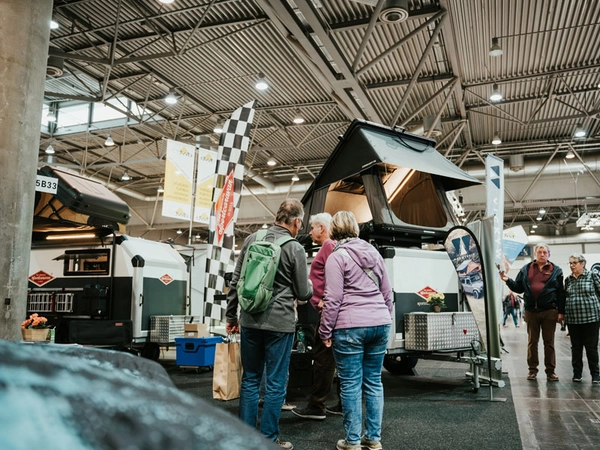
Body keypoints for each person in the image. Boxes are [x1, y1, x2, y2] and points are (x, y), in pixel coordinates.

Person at [225, 198, 313, 450]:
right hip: (280, 323)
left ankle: (244, 439)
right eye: (301, 223)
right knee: (275, 383)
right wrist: (313, 288)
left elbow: (235, 281)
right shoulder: (294, 247)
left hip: (250, 320)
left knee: (250, 379)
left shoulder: (252, 239)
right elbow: (303, 291)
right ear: (296, 221)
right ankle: (268, 441)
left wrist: (231, 317)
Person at [319, 211, 393, 450]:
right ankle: (373, 439)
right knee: (373, 382)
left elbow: (333, 298)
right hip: (379, 323)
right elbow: (387, 293)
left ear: (333, 230)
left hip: (350, 326)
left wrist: (325, 330)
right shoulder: (374, 253)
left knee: (350, 383)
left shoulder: (336, 257)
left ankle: (351, 441)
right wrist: (385, 319)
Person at [292, 212, 342, 421]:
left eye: (312, 227)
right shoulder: (331, 246)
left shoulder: (329, 246)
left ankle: (317, 405)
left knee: (323, 359)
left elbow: (336, 276)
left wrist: (324, 301)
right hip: (329, 309)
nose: (310, 231)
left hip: (327, 311)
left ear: (322, 228)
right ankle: (340, 403)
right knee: (333, 358)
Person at [499, 243, 565, 382]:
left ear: (549, 255)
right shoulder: (526, 268)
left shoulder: (556, 270)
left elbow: (561, 293)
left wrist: (561, 312)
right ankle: (532, 370)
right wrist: (507, 280)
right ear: (535, 254)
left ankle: (550, 371)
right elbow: (518, 287)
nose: (542, 254)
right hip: (531, 311)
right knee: (532, 342)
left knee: (549, 343)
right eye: (540, 252)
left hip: (549, 311)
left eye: (544, 252)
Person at [564, 253, 600, 384]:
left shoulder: (592, 276)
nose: (572, 265)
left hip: (591, 319)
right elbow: (565, 297)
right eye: (570, 263)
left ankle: (595, 375)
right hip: (573, 320)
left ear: (582, 264)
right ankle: (577, 374)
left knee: (591, 348)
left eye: (574, 263)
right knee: (576, 348)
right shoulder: (568, 280)